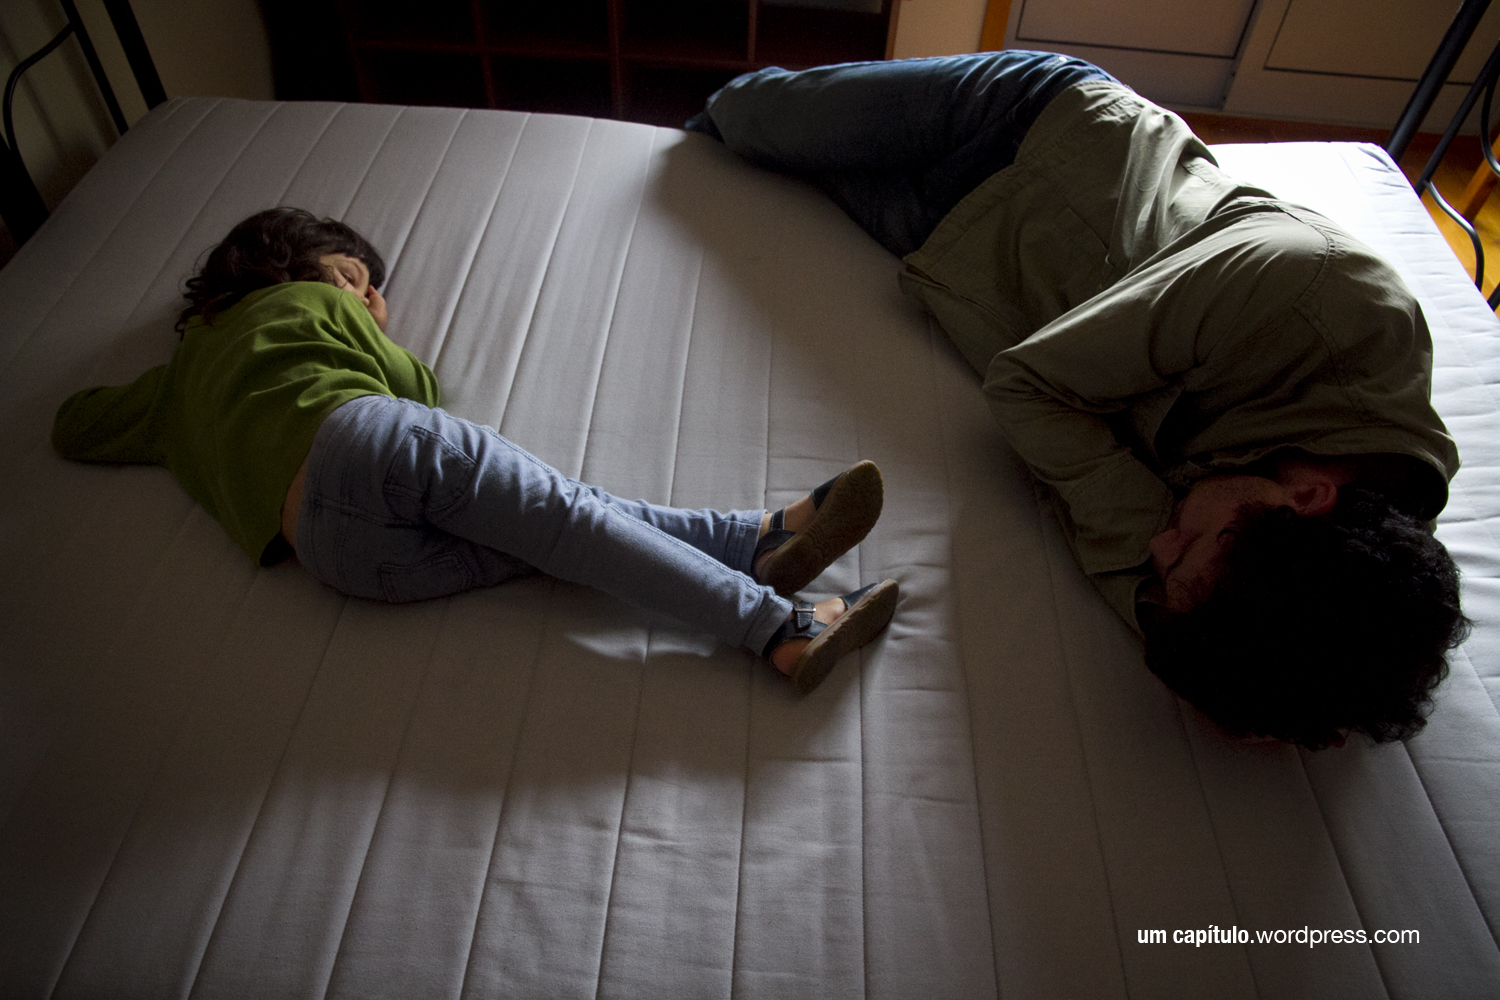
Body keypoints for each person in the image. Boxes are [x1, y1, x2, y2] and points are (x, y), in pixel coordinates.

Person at [686, 52, 1471, 746]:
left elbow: (1268, 643)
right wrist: (1148, 572)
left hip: (956, 249)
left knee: (745, 171)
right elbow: (1030, 387)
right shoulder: (1308, 292)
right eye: (1187, 546)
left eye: (1162, 572)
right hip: (1020, 130)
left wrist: (1191, 630)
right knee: (738, 119)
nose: (1156, 548)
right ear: (1306, 497)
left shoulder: (1350, 591)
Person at [51, 208, 898, 694]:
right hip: (365, 445)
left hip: (339, 560)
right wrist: (367, 323)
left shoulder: (171, 392)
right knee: (569, 520)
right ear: (293, 265)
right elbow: (416, 388)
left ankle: (757, 543)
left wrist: (164, 376)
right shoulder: (309, 303)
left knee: (558, 540)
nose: (369, 296)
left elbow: (74, 424)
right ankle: (778, 626)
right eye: (355, 277)